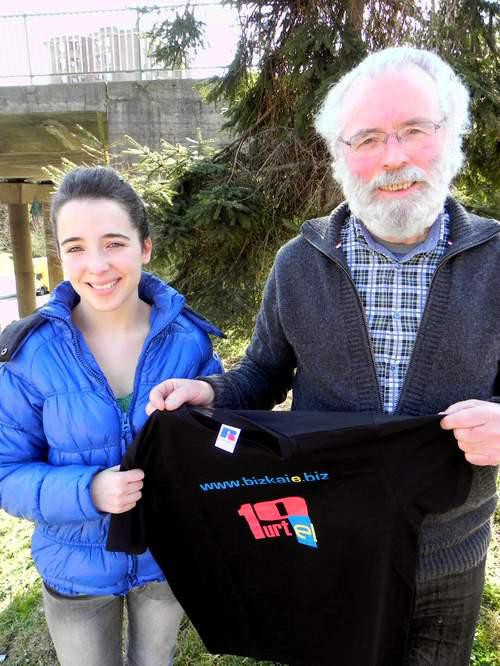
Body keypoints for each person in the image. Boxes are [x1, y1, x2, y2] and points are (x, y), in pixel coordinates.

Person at [146, 47, 500, 665]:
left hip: (449, 556)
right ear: (340, 156)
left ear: (451, 136)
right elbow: (264, 372)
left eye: (414, 130)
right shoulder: (298, 265)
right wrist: (212, 393)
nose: (393, 157)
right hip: (327, 547)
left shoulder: (496, 261)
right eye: (367, 139)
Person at [0, 166, 223, 666]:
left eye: (114, 243)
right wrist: (89, 491)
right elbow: (6, 472)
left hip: (165, 561)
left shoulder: (189, 341)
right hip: (75, 571)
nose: (97, 265)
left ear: (145, 247)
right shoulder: (29, 355)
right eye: (76, 247)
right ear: (60, 256)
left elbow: (220, 444)